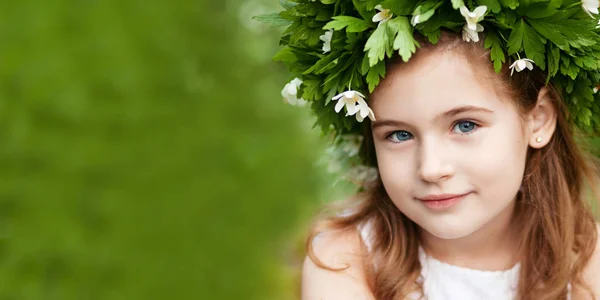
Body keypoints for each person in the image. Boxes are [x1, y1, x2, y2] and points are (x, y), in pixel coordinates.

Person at [261, 1, 600, 299]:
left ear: (538, 120)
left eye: (465, 125)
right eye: (399, 135)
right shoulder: (345, 261)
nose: (431, 168)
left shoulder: (587, 260)